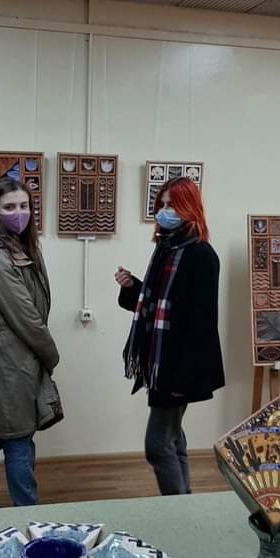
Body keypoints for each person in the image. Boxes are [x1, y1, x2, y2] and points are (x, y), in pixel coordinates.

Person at [115, 176, 224, 496]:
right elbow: (159, 305)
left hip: (178, 368)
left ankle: (176, 507)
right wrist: (132, 286)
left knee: (157, 445)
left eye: (172, 205)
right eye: (161, 205)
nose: (164, 211)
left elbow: (202, 322)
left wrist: (182, 378)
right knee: (172, 438)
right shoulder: (166, 249)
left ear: (189, 208)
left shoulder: (202, 255)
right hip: (162, 363)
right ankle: (183, 502)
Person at [0, 176, 60, 509]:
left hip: (7, 357)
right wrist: (51, 355)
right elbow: (28, 319)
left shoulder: (19, 247)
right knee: (17, 438)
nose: (18, 213)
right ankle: (25, 514)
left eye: (23, 205)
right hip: (9, 361)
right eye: (9, 207)